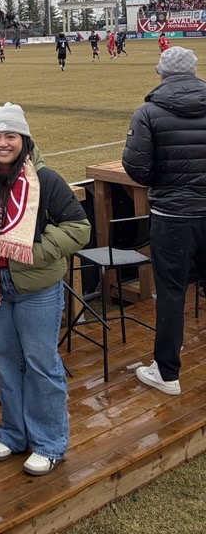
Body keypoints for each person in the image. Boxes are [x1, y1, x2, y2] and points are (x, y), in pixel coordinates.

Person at [0, 103, 90, 476]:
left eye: (10, 135)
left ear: (24, 140)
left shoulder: (45, 179)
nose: (3, 143)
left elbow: (79, 228)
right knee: (5, 360)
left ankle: (49, 443)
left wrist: (31, 252)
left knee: (40, 362)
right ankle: (14, 433)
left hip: (37, 287)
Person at [122, 47, 206, 396]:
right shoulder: (149, 111)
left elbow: (136, 167)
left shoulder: (148, 111)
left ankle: (167, 373)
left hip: (172, 217)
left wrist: (166, 182)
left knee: (171, 293)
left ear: (162, 74)